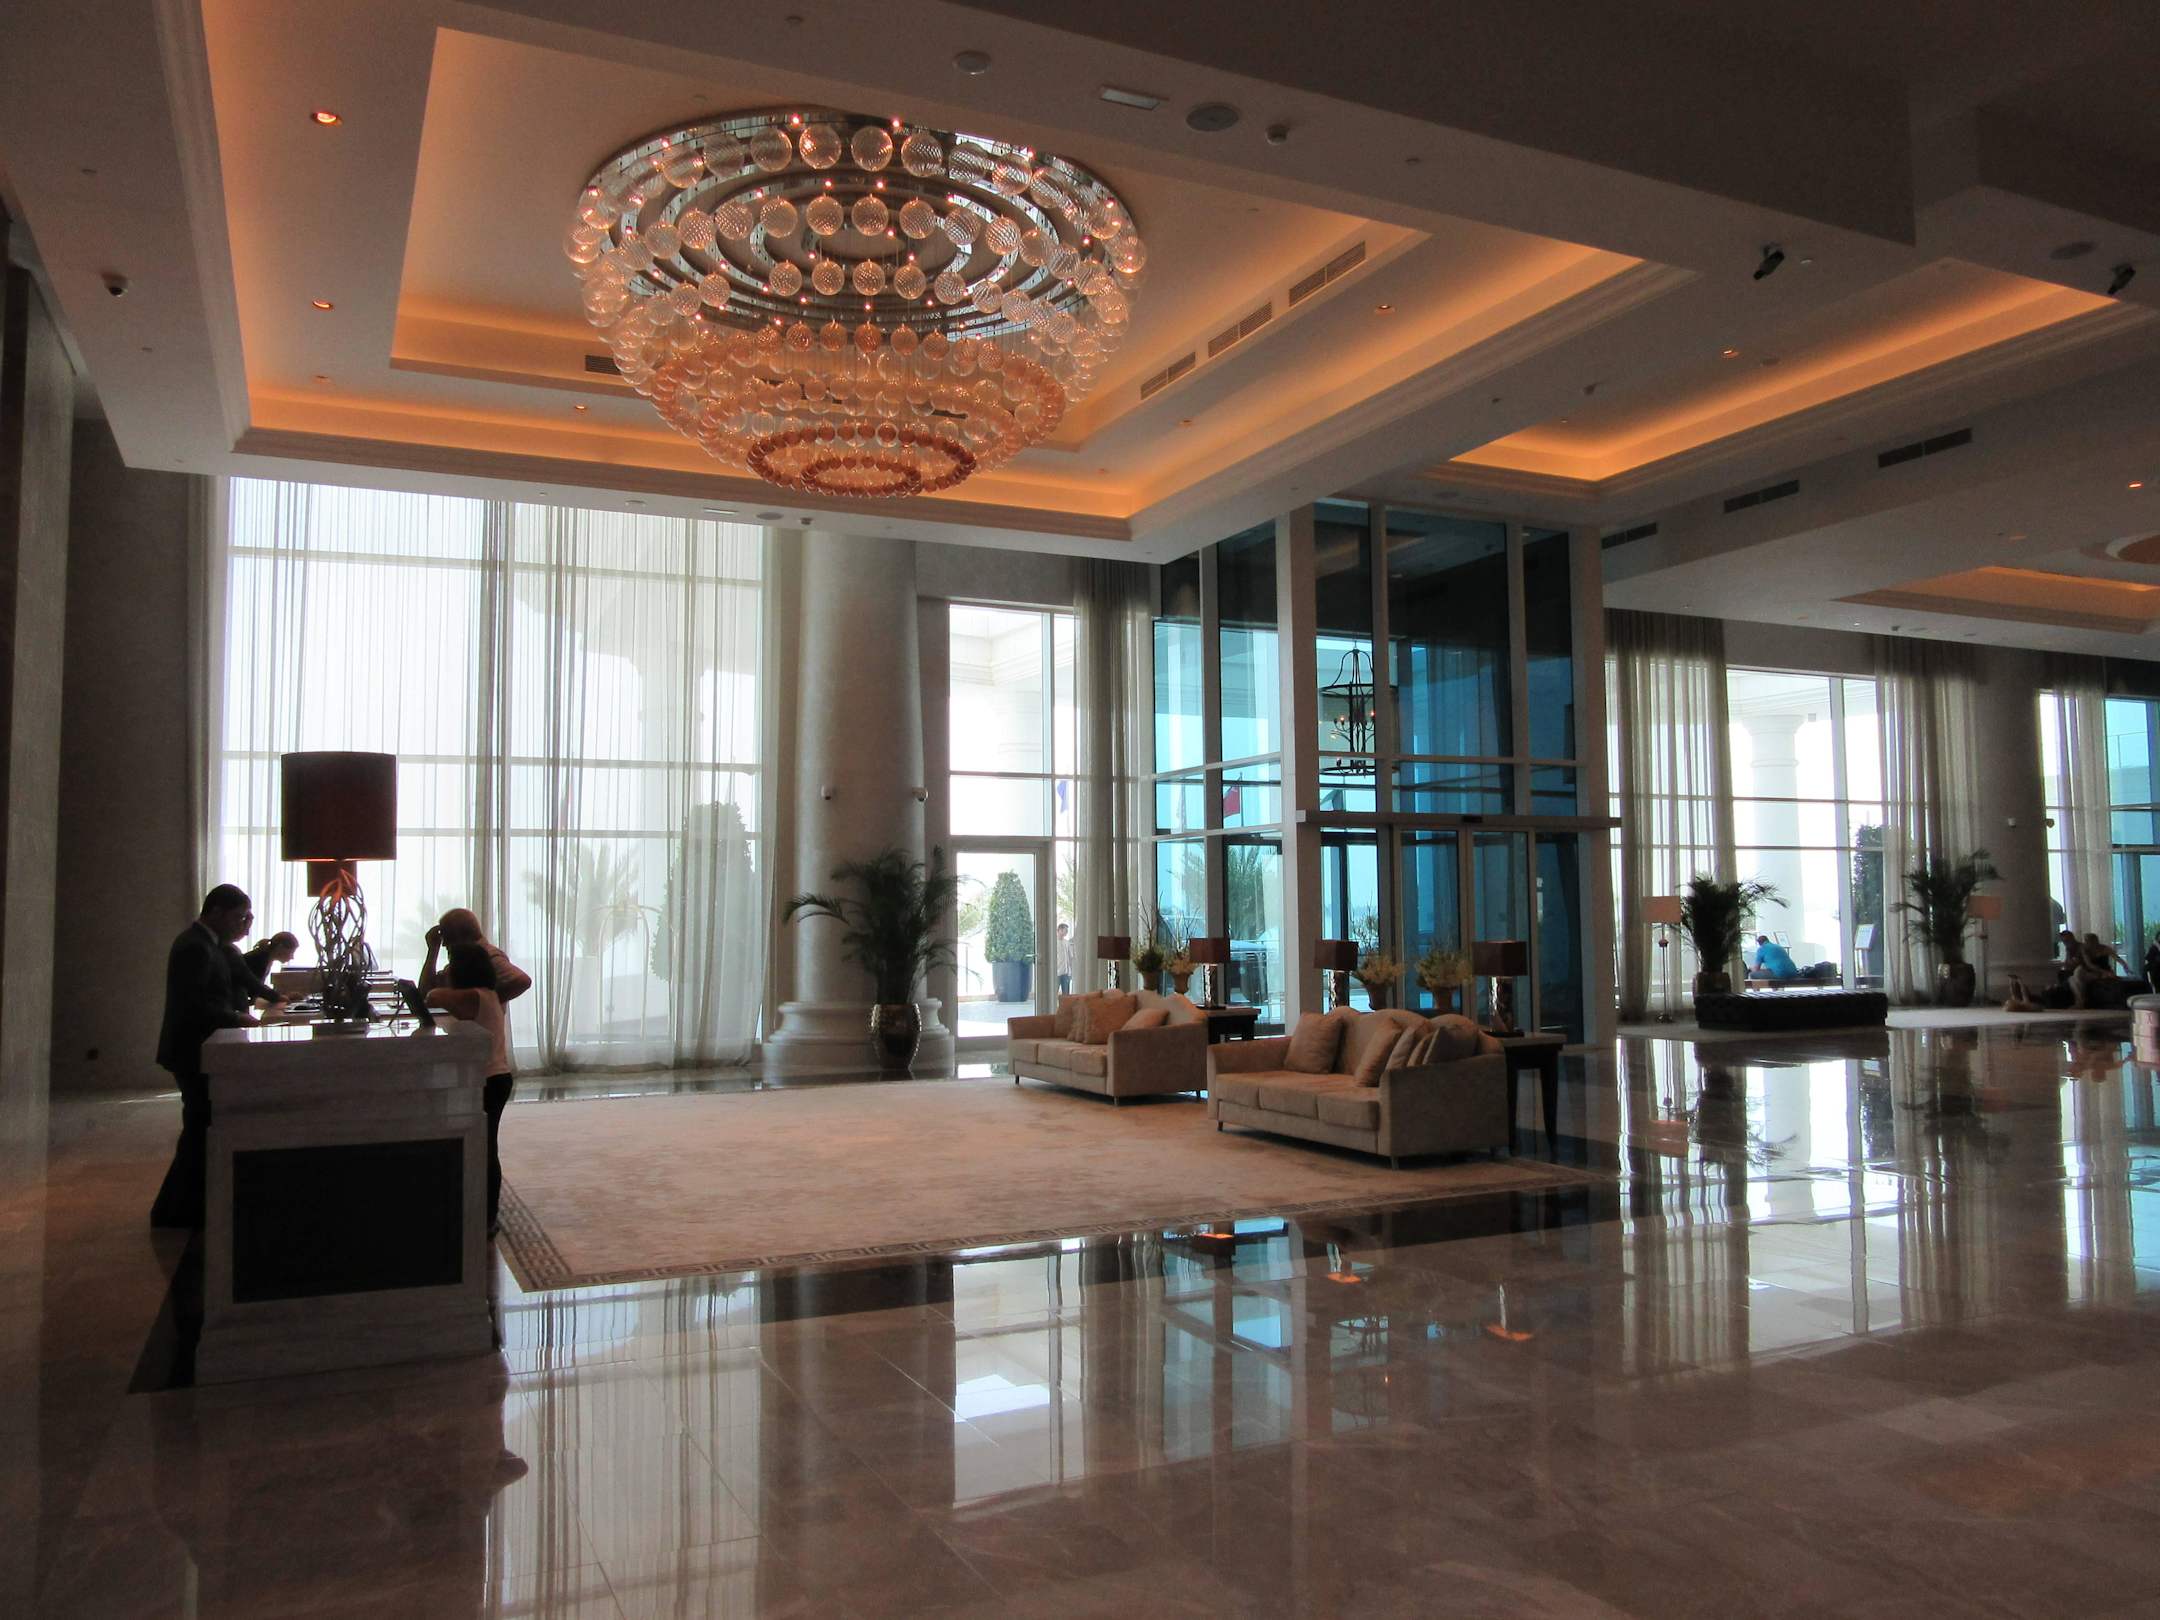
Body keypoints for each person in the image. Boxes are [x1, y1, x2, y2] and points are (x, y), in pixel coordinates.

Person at [150, 885, 258, 1229]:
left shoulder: (207, 944)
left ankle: (183, 1206)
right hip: (191, 1050)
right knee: (198, 1129)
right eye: (239, 917)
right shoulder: (194, 947)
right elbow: (194, 1004)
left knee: (199, 1127)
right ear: (216, 912)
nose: (242, 924)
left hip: (197, 1049)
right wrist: (236, 1017)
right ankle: (173, 1210)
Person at [425, 943, 514, 1236]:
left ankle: (487, 1216)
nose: (447, 968)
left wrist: (438, 970)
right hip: (492, 1078)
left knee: (485, 1149)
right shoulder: (483, 995)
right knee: (485, 1146)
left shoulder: (477, 996)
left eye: (452, 963)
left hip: (490, 1080)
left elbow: (431, 995)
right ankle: (484, 1213)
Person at [1054, 921, 1073, 996]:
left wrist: (1070, 971)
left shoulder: (1066, 942)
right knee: (1053, 992)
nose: (1067, 932)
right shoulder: (1054, 942)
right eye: (1066, 930)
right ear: (1060, 930)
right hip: (1056, 973)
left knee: (1066, 994)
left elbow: (1069, 957)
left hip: (1066, 973)